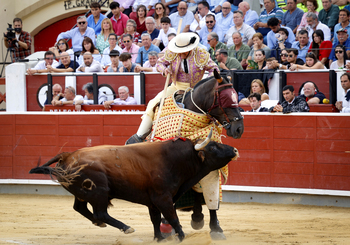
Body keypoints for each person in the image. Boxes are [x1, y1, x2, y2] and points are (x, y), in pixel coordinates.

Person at [127, 32, 218, 143]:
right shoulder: (173, 52)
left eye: (183, 52)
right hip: (176, 86)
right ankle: (140, 136)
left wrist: (205, 84)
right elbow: (160, 63)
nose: (180, 54)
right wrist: (164, 70)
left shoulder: (201, 54)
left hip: (196, 89)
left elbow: (214, 69)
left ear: (190, 49)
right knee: (153, 103)